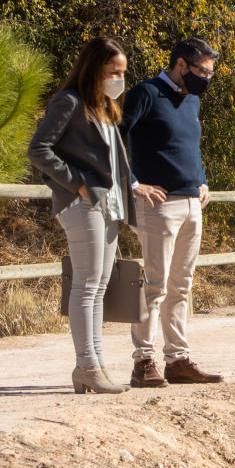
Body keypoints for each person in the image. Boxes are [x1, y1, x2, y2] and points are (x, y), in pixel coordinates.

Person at [27, 37, 138, 394]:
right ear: (94, 69)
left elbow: (113, 162)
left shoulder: (105, 107)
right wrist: (76, 185)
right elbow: (39, 149)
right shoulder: (69, 102)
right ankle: (86, 365)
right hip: (82, 204)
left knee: (100, 286)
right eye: (113, 72)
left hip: (108, 204)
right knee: (87, 285)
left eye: (122, 72)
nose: (119, 79)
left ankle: (95, 363)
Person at [120, 37, 223, 387]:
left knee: (182, 285)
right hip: (158, 206)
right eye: (202, 71)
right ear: (181, 65)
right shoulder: (145, 94)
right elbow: (113, 140)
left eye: (210, 73)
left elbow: (188, 145)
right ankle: (143, 361)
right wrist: (134, 184)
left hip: (193, 203)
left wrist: (202, 180)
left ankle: (177, 359)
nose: (206, 79)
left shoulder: (191, 100)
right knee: (155, 285)